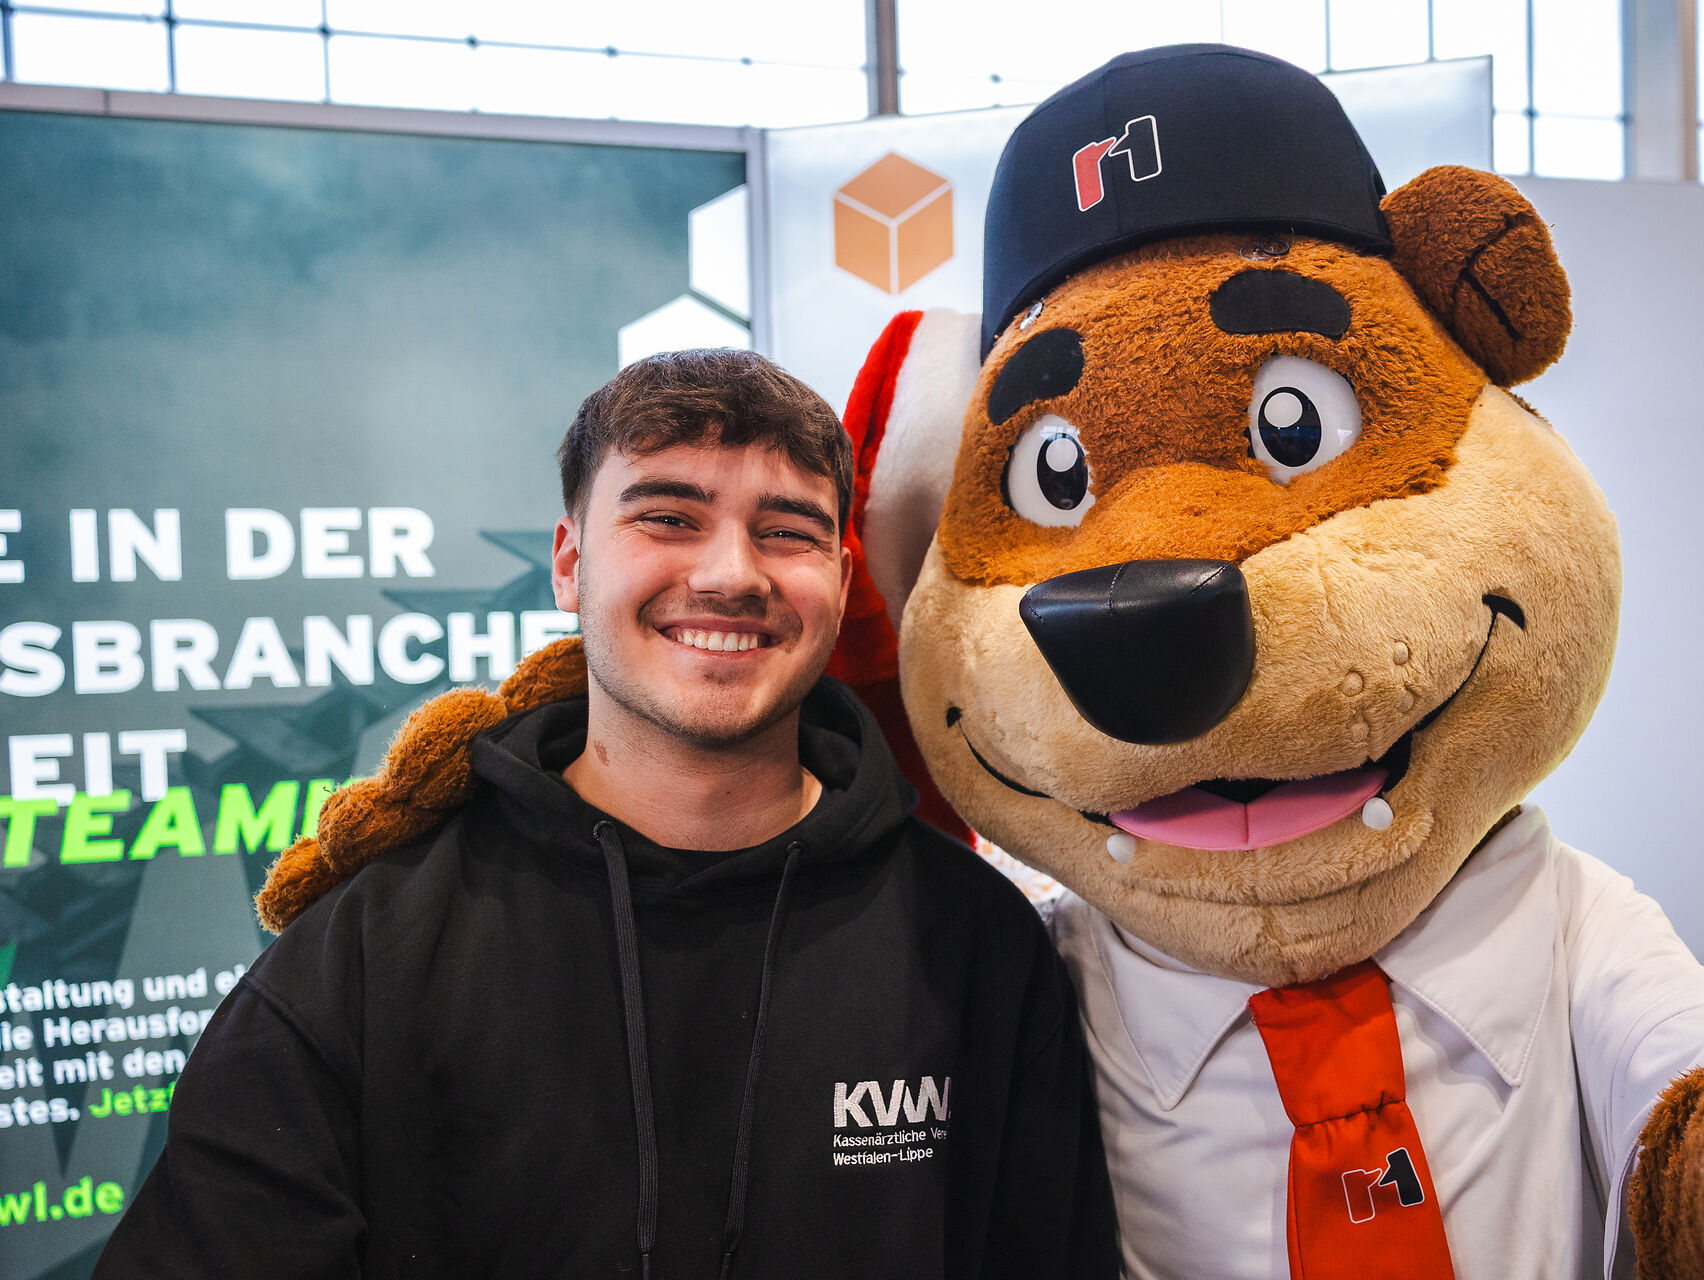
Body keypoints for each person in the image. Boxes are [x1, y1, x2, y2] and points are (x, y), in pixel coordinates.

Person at [95, 349, 1117, 1279]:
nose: (731, 573)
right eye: (668, 518)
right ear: (570, 561)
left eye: (786, 531)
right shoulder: (366, 954)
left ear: (842, 581)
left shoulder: (973, 943)